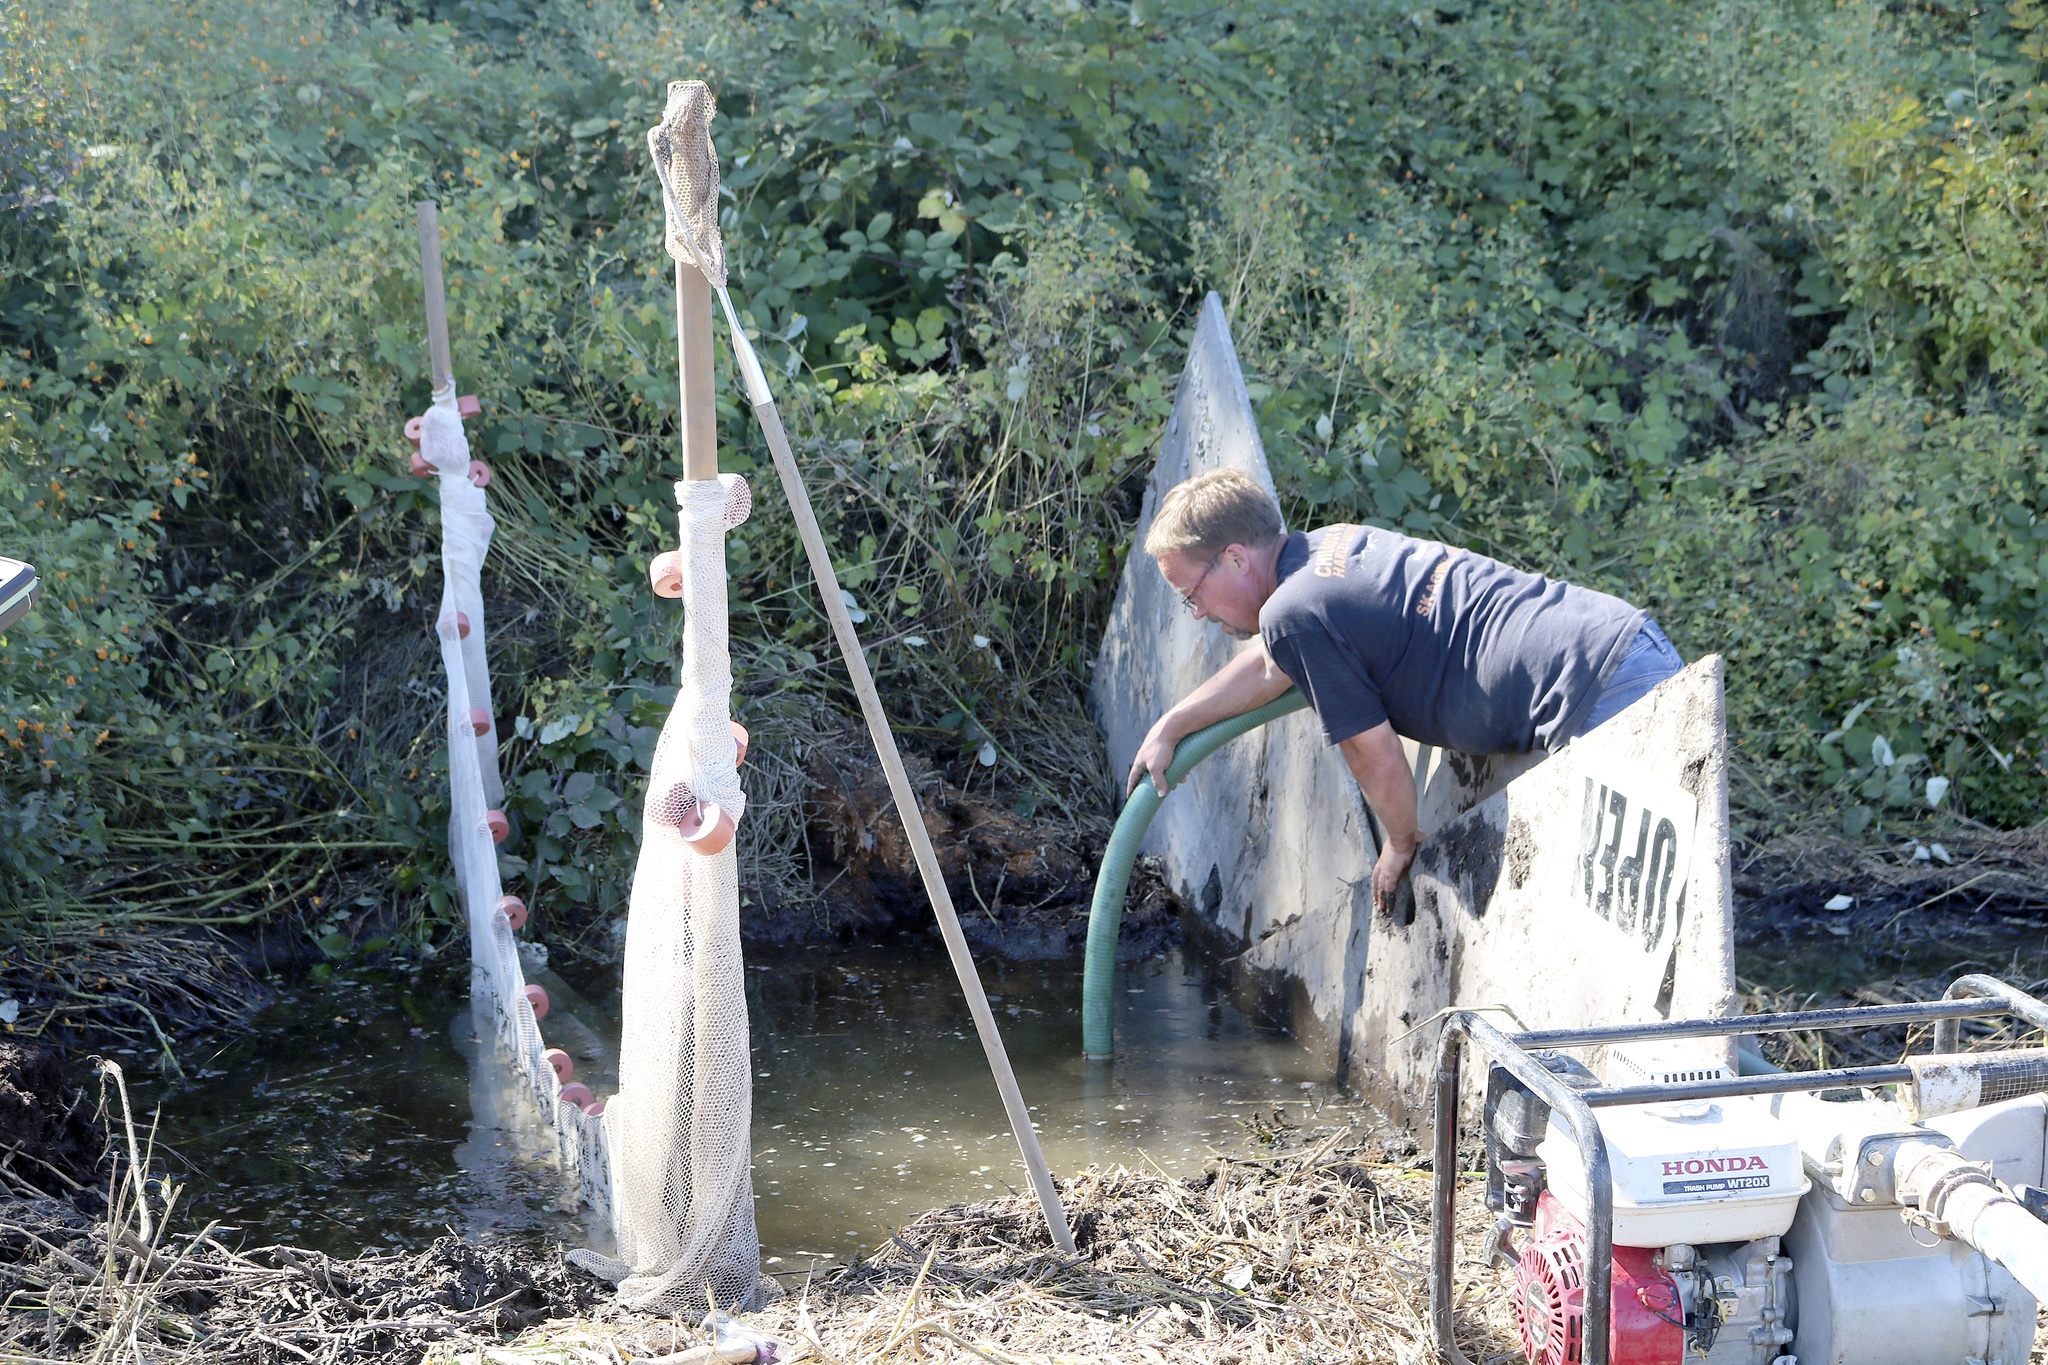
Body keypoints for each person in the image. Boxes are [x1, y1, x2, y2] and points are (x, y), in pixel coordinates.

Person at [1125, 468, 1683, 915]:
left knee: (1650, 924)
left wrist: (1398, 844)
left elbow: (1376, 757)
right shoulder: (1330, 551)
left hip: (1595, 694)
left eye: (1191, 594)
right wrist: (1172, 725)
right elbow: (1272, 669)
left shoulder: (1294, 612)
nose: (1196, 613)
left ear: (1235, 559)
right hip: (1620, 647)